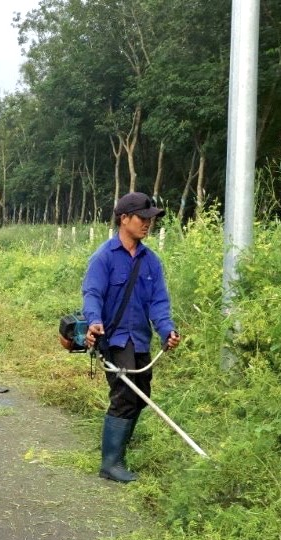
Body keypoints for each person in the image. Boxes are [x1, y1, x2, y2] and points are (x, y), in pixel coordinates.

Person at [81, 192, 181, 482]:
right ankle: (110, 463)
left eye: (151, 219)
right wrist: (94, 322)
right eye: (142, 218)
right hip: (114, 340)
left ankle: (120, 453)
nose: (148, 224)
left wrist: (167, 330)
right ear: (124, 219)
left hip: (140, 339)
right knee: (125, 396)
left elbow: (159, 303)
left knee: (141, 396)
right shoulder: (104, 257)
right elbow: (93, 294)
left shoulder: (152, 262)